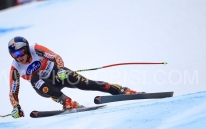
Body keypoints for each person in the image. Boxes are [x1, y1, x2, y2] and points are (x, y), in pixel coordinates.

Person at [8, 36, 141, 118]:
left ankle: (119, 90)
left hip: (59, 74)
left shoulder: (35, 49)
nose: (18, 57)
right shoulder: (16, 68)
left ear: (25, 48)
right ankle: (66, 101)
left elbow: (55, 57)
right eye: (14, 55)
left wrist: (60, 70)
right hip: (46, 86)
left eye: (20, 52)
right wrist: (16, 107)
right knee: (35, 80)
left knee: (86, 84)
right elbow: (13, 91)